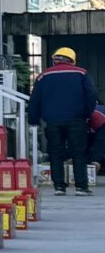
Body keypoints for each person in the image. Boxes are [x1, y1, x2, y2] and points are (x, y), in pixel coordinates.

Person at [31, 46, 96, 195]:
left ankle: (59, 187)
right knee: (78, 152)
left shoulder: (43, 76)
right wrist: (87, 114)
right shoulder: (81, 73)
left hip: (53, 121)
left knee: (55, 153)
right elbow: (91, 95)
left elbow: (35, 99)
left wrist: (34, 119)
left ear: (55, 60)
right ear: (72, 60)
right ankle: (81, 187)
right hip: (76, 120)